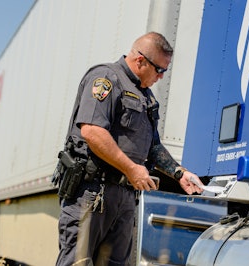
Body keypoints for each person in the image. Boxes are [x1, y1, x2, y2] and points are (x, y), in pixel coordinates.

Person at [54, 31, 204, 266]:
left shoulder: (147, 97)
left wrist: (180, 173)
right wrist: (132, 169)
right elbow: (92, 131)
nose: (162, 77)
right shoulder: (106, 78)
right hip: (92, 192)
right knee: (78, 261)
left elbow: (152, 146)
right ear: (140, 60)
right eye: (160, 69)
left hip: (123, 199)